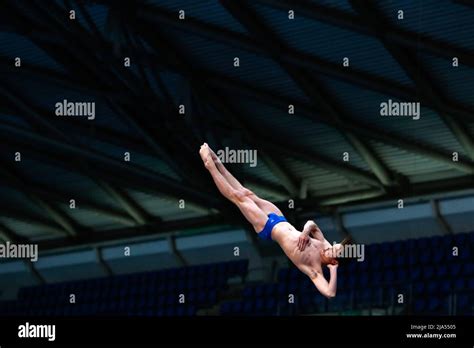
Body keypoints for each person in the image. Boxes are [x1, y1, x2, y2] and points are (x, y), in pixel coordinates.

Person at [199, 143, 345, 298]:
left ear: (333, 262)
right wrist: (305, 232)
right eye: (333, 247)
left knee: (238, 198)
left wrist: (333, 273)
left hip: (268, 228)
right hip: (280, 218)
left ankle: (210, 167)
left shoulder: (314, 269)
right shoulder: (324, 245)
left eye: (332, 252)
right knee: (247, 193)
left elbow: (330, 293)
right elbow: (311, 224)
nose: (330, 248)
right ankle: (218, 163)